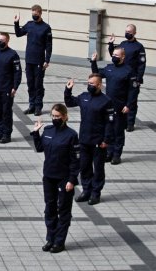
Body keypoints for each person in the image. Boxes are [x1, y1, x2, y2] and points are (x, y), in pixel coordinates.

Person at [31, 104, 80, 254]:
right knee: (49, 209)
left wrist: (72, 180)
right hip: (49, 177)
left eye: (57, 116)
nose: (54, 119)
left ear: (65, 117)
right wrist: (35, 133)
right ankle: (50, 238)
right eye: (53, 116)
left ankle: (59, 242)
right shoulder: (48, 131)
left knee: (63, 210)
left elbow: (76, 160)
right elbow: (40, 148)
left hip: (64, 179)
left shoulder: (71, 135)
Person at [65, 74, 114, 205]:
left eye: (92, 84)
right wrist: (68, 89)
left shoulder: (106, 101)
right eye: (88, 83)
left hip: (99, 142)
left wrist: (106, 140)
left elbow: (110, 123)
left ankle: (95, 193)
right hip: (84, 140)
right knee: (84, 167)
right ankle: (86, 191)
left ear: (99, 85)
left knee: (98, 169)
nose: (89, 86)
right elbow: (69, 103)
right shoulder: (84, 97)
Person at [91, 49, 138, 164]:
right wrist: (93, 62)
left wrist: (129, 105)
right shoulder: (109, 68)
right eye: (113, 55)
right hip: (108, 106)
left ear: (123, 57)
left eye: (116, 55)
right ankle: (109, 153)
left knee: (118, 131)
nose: (114, 57)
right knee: (108, 130)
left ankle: (117, 155)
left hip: (120, 107)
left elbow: (133, 90)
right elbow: (97, 75)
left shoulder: (129, 71)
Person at [14, 4, 52, 116]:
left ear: (40, 13)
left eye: (36, 13)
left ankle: (38, 107)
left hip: (40, 61)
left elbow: (49, 45)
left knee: (38, 85)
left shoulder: (46, 27)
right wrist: (16, 23)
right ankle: (31, 105)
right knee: (30, 84)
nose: (34, 15)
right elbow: (18, 34)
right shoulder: (29, 25)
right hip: (29, 60)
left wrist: (47, 60)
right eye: (32, 13)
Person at [108, 24, 146, 132]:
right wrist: (111, 44)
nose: (127, 33)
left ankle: (130, 123)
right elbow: (114, 55)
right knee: (121, 101)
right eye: (126, 31)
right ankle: (121, 122)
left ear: (134, 33)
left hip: (132, 79)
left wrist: (138, 79)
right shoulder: (123, 44)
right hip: (121, 77)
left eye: (129, 32)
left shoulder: (139, 47)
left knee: (131, 101)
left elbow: (141, 64)